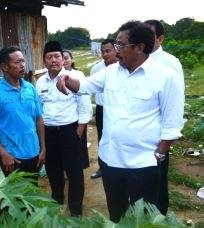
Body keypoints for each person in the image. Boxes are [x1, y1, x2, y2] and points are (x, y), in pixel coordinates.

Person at [56, 21, 184, 222]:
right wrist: (65, 78)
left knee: (143, 219)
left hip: (144, 164)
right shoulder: (111, 72)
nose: (116, 51)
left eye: (121, 46)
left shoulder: (166, 77)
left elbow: (172, 125)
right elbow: (85, 85)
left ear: (139, 48)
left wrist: (158, 156)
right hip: (111, 161)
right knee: (116, 215)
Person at [36, 42, 92, 216]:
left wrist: (78, 132)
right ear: (44, 60)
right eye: (49, 57)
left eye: (57, 56)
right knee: (53, 170)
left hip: (70, 131)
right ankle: (57, 201)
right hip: (49, 133)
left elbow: (85, 109)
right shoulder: (40, 82)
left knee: (74, 172)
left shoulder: (74, 79)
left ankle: (75, 210)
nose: (54, 60)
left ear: (63, 59)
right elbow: (39, 111)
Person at [0, 46, 45, 181]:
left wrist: (43, 148)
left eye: (23, 61)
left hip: (34, 153)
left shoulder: (30, 88)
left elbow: (39, 119)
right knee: (16, 197)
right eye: (17, 62)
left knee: (31, 194)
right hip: (11, 157)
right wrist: (3, 153)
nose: (22, 65)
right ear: (5, 67)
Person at [145, 19, 185, 216]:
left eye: (149, 35)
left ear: (160, 39)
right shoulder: (135, 59)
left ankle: (159, 217)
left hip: (159, 136)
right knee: (140, 179)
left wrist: (168, 139)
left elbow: (177, 102)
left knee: (158, 179)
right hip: (139, 134)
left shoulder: (170, 63)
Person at [89, 39, 118, 179]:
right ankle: (103, 167)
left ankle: (118, 165)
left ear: (116, 50)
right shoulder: (96, 69)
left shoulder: (123, 66)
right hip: (102, 108)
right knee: (102, 137)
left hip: (118, 108)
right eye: (102, 51)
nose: (105, 54)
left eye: (108, 51)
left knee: (118, 136)